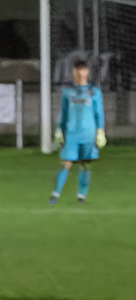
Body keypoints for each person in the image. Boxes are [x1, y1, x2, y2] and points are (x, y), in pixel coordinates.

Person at [49, 58, 105, 205]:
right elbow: (63, 112)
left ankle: (81, 196)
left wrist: (100, 131)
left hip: (88, 134)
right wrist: (59, 129)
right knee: (66, 163)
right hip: (72, 134)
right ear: (74, 72)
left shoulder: (94, 92)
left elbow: (99, 113)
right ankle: (55, 195)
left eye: (83, 70)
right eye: (77, 70)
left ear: (87, 71)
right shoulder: (67, 92)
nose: (80, 73)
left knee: (85, 164)